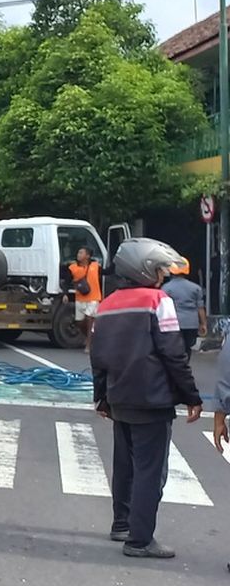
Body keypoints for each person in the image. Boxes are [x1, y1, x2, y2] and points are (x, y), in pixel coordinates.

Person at [91, 237, 203, 559]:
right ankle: (140, 540)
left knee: (124, 465)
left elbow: (97, 357)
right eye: (159, 269)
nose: (163, 275)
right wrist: (191, 396)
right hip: (152, 399)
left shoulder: (107, 303)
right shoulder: (158, 300)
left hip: (120, 398)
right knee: (150, 471)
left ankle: (122, 524)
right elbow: (173, 354)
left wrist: (102, 398)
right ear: (145, 269)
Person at [161, 257, 206, 361]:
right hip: (191, 323)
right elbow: (200, 308)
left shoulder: (166, 288)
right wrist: (203, 324)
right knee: (187, 348)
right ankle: (185, 365)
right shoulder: (195, 288)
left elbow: (163, 309)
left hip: (173, 324)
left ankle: (178, 369)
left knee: (174, 348)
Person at [68, 245, 103, 351]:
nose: (78, 255)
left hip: (94, 297)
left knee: (89, 318)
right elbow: (67, 280)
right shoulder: (73, 267)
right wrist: (65, 293)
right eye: (78, 253)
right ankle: (90, 337)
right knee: (79, 321)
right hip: (80, 297)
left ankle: (89, 343)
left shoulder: (96, 266)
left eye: (81, 253)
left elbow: (107, 272)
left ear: (87, 256)